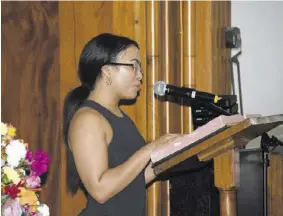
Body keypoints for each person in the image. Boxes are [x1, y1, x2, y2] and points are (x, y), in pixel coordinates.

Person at [63, 33, 181, 216]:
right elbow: (100, 190)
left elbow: (133, 179)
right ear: (107, 71)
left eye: (140, 68)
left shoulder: (119, 116)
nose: (140, 75)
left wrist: (172, 155)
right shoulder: (87, 119)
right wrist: (149, 149)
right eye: (133, 66)